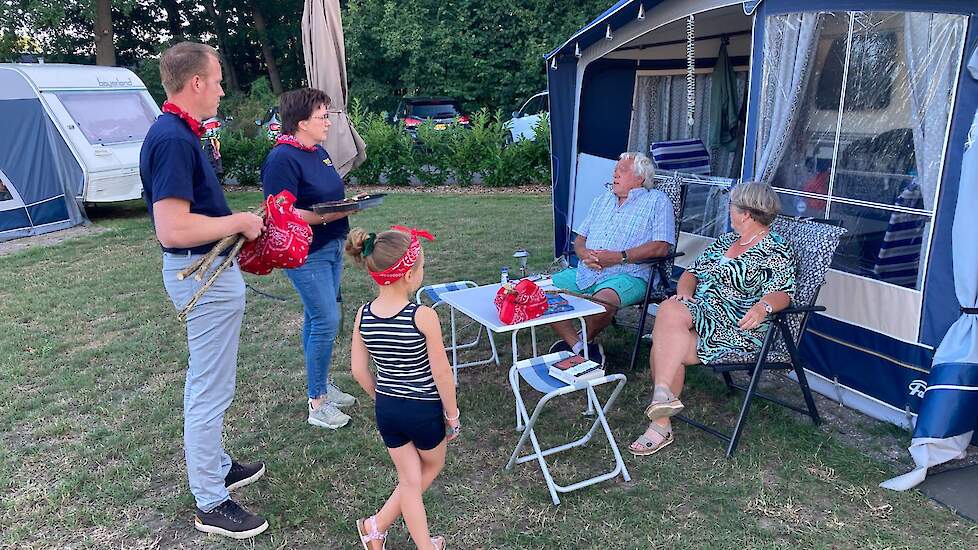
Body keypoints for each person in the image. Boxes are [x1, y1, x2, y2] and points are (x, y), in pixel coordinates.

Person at [140, 42, 268, 539]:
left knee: (214, 384)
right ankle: (210, 501)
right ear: (195, 83)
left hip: (209, 273)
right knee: (209, 390)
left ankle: (214, 465)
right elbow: (171, 229)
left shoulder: (178, 133)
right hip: (200, 276)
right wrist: (237, 220)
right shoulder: (172, 137)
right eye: (216, 81)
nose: (220, 90)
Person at [629, 181, 796, 456]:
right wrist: (684, 294)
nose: (728, 210)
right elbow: (691, 273)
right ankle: (662, 398)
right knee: (672, 308)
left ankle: (661, 419)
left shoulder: (776, 249)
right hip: (703, 312)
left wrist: (762, 307)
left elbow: (783, 293)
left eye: (731, 206)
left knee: (668, 339)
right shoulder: (726, 242)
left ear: (746, 213)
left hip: (738, 325)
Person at [346, 226, 460, 550]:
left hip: (387, 410)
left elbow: (358, 370)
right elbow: (441, 373)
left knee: (409, 479)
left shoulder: (363, 315)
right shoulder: (422, 316)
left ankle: (377, 529)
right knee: (431, 465)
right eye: (422, 267)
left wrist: (381, 396)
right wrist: (452, 415)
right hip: (422, 410)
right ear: (409, 275)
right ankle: (389, 530)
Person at [261, 88, 358, 430]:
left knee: (317, 318)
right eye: (322, 116)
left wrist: (344, 209)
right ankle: (317, 403)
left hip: (331, 245)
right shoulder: (282, 159)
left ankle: (322, 384)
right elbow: (279, 212)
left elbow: (326, 195)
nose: (328, 122)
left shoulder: (316, 152)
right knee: (327, 319)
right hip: (305, 252)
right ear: (301, 123)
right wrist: (330, 216)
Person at [548, 152, 675, 366]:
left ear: (640, 178)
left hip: (629, 274)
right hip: (587, 270)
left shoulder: (657, 201)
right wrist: (583, 253)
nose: (615, 174)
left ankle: (583, 340)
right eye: (615, 170)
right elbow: (580, 239)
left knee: (602, 302)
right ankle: (580, 346)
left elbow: (661, 246)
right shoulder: (603, 199)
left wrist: (619, 257)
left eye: (622, 170)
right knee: (542, 293)